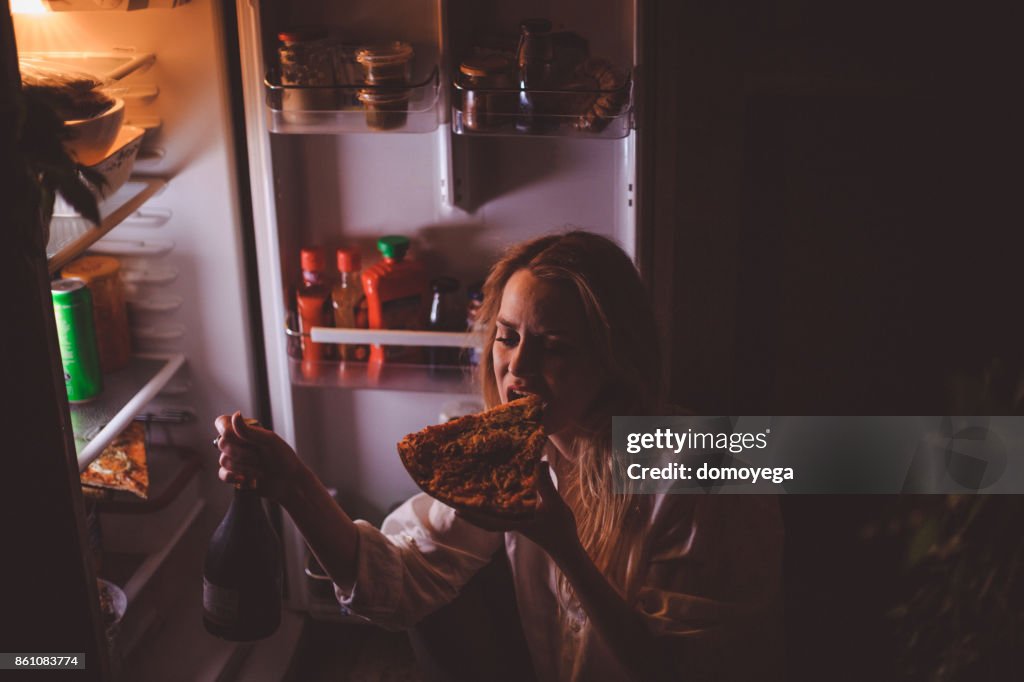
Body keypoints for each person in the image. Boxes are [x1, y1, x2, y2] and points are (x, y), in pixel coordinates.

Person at [215, 231, 783, 681]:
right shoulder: (516, 455)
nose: (518, 368)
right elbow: (395, 583)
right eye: (508, 337)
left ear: (615, 357)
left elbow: (679, 671)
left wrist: (563, 545)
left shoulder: (710, 467)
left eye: (555, 347)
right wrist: (292, 485)